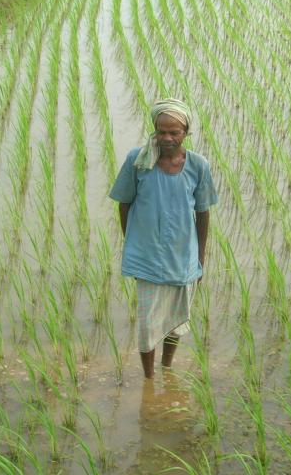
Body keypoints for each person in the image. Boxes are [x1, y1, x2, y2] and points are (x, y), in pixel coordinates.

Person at [109, 98, 218, 378]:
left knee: (176, 321)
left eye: (174, 132)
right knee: (147, 324)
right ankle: (148, 378)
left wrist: (200, 257)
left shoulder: (198, 165)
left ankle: (167, 367)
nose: (167, 138)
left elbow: (203, 211)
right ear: (154, 130)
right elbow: (124, 202)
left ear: (186, 133)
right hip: (147, 256)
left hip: (183, 255)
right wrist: (131, 240)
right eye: (161, 131)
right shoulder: (138, 161)